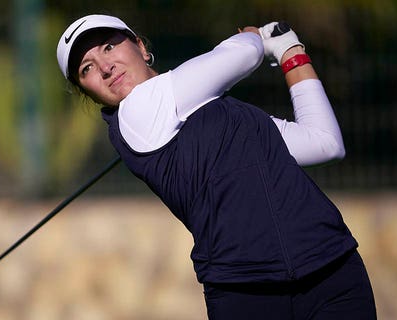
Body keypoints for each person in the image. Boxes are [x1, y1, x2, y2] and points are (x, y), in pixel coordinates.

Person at [56, 14, 376, 319]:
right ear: (90, 93)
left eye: (109, 47)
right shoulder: (136, 114)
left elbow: (324, 142)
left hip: (330, 267)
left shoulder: (229, 113)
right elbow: (242, 56)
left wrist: (291, 54)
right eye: (87, 69)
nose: (106, 67)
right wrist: (257, 36)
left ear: (141, 47)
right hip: (247, 293)